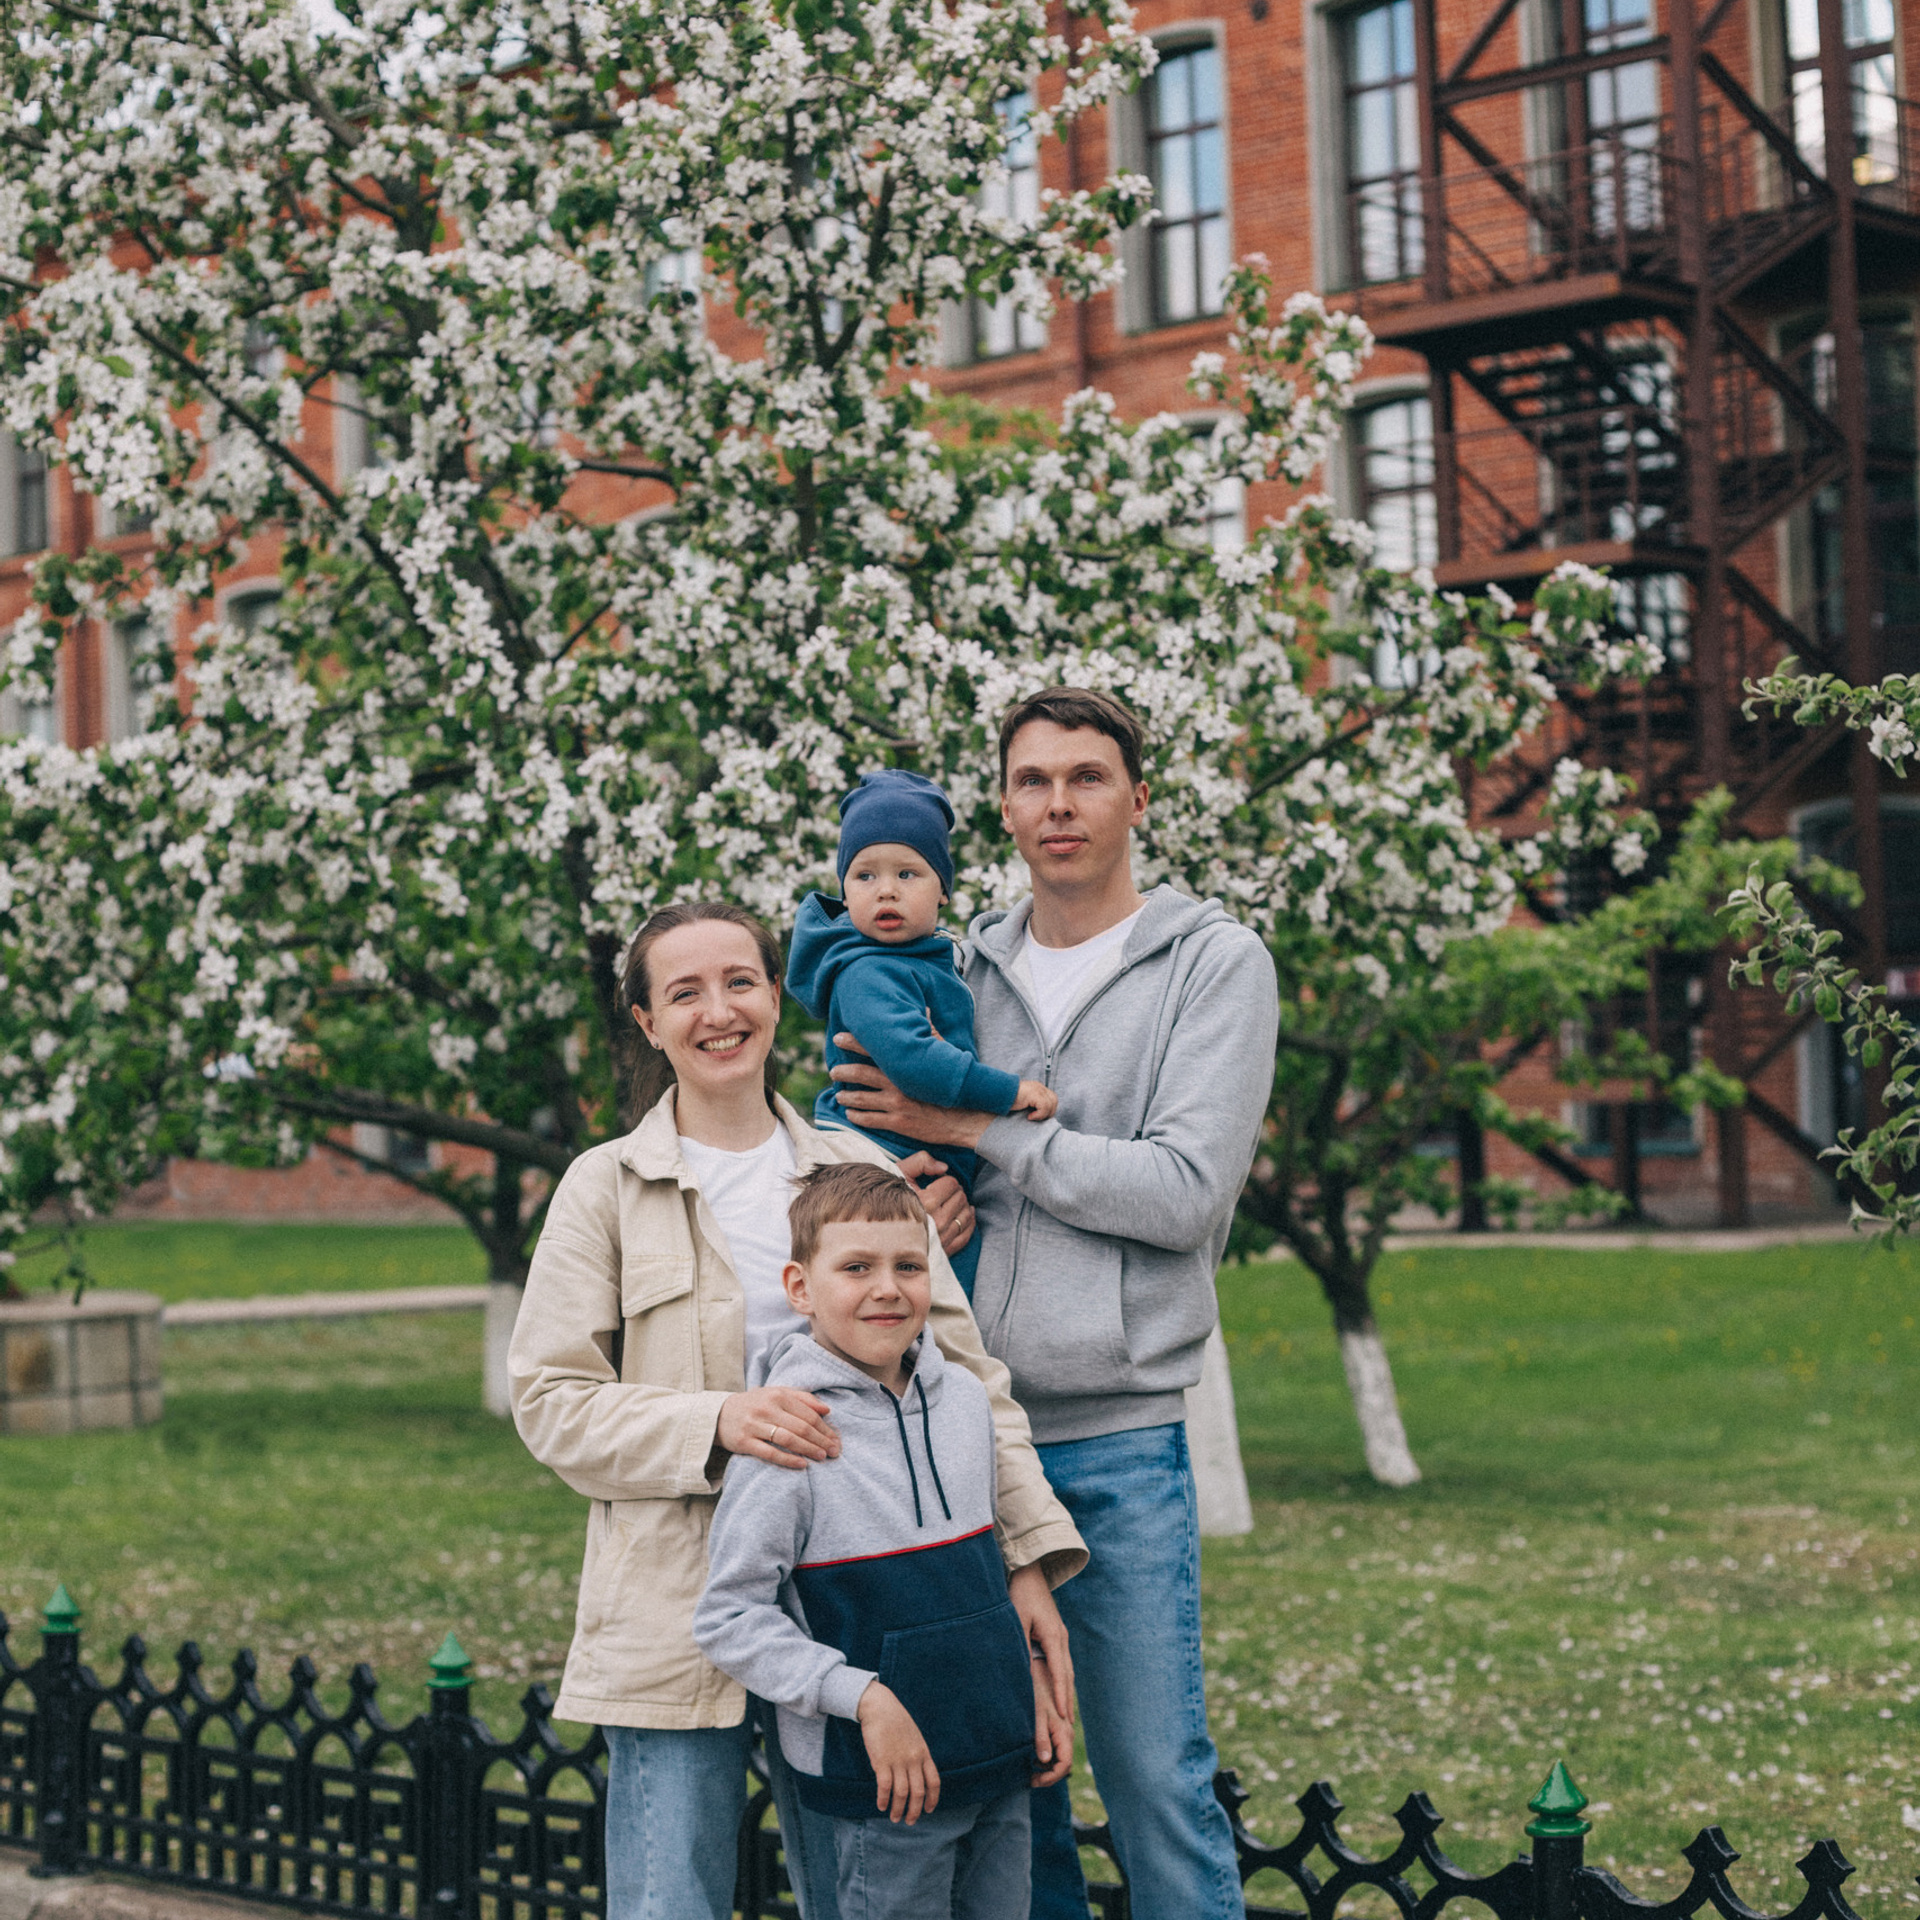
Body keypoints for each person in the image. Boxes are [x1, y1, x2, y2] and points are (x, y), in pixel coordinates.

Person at [507, 900, 1085, 1920]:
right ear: (647, 1022)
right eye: (683, 991)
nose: (718, 1010)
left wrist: (1027, 1554)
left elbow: (964, 1376)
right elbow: (551, 1402)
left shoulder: (857, 1173)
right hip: (680, 1601)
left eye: (740, 982)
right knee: (669, 1898)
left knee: (858, 1895)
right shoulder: (604, 1189)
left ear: (778, 999)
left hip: (871, 1618)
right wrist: (718, 1424)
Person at [831, 686, 1281, 1920]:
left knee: (1151, 1783)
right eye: (1033, 782)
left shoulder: (1214, 964)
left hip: (1114, 1436)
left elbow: (1184, 1191)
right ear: (1004, 808)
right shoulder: (949, 957)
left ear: (1138, 798)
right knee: (1002, 1793)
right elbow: (886, 1136)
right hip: (956, 1439)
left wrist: (978, 1128)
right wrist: (930, 1191)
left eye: (1087, 777)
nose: (1060, 804)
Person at [694, 1161, 1075, 1920]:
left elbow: (982, 1576)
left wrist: (1022, 1678)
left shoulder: (965, 1404)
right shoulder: (792, 1437)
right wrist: (862, 1697)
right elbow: (728, 1619)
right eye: (856, 1267)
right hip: (883, 1787)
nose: (887, 1288)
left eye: (908, 1265)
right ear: (800, 1288)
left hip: (998, 1758)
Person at [786, 768, 1057, 1297]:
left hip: (921, 1155)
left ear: (943, 893)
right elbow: (913, 1061)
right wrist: (1007, 1091)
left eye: (907, 874)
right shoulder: (868, 970)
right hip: (885, 1155)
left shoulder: (922, 960)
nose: (885, 889)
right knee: (941, 1293)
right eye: (865, 876)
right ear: (844, 888)